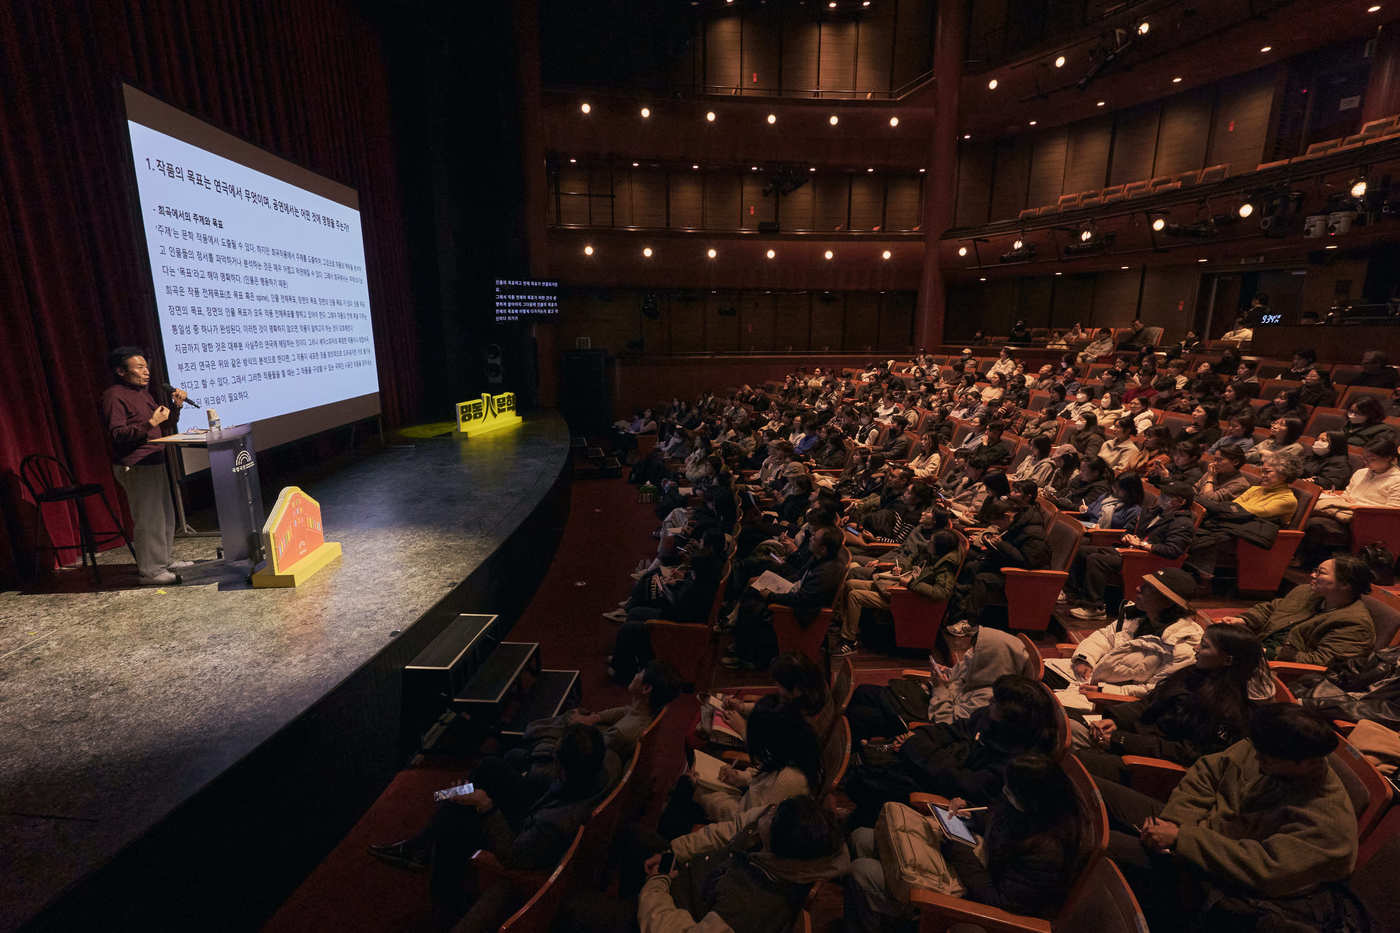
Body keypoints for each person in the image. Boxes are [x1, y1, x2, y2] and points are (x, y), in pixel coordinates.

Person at [1096, 704, 1358, 933]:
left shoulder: (1328, 824)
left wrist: (1182, 839)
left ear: (1307, 763)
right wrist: (1177, 821)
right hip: (1192, 830)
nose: (1256, 758)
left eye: (1265, 758)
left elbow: (1263, 869)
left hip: (1215, 877)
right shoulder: (1269, 745)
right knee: (1090, 792)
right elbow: (1207, 771)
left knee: (1097, 845)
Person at [369, 724, 613, 928]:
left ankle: (443, 899)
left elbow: (513, 855)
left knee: (456, 818)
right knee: (491, 767)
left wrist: (485, 805)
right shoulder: (603, 765)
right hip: (546, 804)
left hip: (524, 837)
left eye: (556, 758)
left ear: (563, 770)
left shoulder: (554, 825)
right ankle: (441, 810)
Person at [844, 753, 1080, 933]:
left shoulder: (1046, 852)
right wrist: (968, 813)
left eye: (1010, 792)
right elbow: (998, 816)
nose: (1004, 792)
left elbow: (998, 901)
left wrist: (957, 846)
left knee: (862, 871)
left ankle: (891, 921)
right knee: (862, 837)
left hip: (970, 901)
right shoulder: (1025, 810)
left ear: (1033, 802)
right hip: (975, 861)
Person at [1073, 624, 1262, 783]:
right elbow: (1149, 703)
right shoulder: (1193, 673)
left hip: (1145, 766)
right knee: (1065, 722)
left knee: (1071, 756)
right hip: (1128, 738)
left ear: (1227, 660)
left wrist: (1120, 740)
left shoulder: (1228, 708)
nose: (1196, 649)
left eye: (1204, 646)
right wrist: (1116, 721)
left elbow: (1184, 752)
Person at [640, 796, 848, 933]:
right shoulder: (772, 839)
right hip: (681, 876)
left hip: (670, 907)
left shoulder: (749, 908)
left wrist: (657, 885)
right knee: (635, 835)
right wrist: (674, 852)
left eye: (773, 816)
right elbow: (724, 833)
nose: (769, 810)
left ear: (779, 848)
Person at [663, 696, 821, 834]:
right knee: (685, 786)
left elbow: (741, 824)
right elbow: (765, 775)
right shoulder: (793, 750)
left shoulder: (786, 779)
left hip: (743, 834)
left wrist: (701, 792)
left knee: (684, 789)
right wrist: (740, 777)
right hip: (746, 809)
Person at [100, 347, 190, 585]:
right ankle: (151, 571)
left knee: (164, 514)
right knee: (149, 517)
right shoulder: (114, 396)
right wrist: (151, 422)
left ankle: (163, 560)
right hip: (136, 464)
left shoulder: (143, 393)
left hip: (155, 461)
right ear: (121, 371)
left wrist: (176, 406)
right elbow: (117, 434)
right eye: (139, 367)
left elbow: (162, 425)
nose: (146, 372)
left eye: (146, 367)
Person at [1064, 483, 1197, 620]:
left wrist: (1143, 545)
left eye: (1166, 497)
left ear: (1180, 502)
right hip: (1130, 550)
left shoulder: (1183, 523)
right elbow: (1130, 527)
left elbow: (1173, 550)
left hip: (1144, 559)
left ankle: (1094, 607)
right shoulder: (1154, 510)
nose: (1160, 498)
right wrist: (1126, 536)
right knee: (1082, 551)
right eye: (1162, 495)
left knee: (1097, 560)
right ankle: (1073, 594)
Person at [1213, 555, 1376, 665]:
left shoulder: (1355, 624)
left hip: (1281, 669)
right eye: (1315, 570)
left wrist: (1265, 653)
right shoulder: (1306, 592)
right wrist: (1244, 620)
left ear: (1345, 584)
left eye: (1320, 573)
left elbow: (1321, 661)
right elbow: (1272, 608)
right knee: (1211, 641)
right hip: (1258, 646)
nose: (1312, 575)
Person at [723, 526, 845, 670]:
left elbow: (802, 599)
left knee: (752, 605)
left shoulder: (827, 572)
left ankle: (746, 657)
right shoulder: (819, 558)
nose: (810, 539)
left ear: (823, 549)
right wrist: (776, 581)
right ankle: (741, 643)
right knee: (754, 588)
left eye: (814, 539)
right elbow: (799, 576)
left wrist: (771, 596)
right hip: (795, 592)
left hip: (801, 612)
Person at [1065, 567, 1203, 694]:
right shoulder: (1136, 617)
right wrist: (1085, 659)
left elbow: (1154, 691)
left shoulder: (1182, 648)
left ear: (1167, 602)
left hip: (1109, 700)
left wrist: (1104, 690)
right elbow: (1105, 637)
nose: (1138, 588)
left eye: (1148, 588)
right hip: (1089, 678)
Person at [836, 528, 959, 657]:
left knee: (855, 596)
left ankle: (849, 642)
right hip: (899, 586)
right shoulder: (928, 553)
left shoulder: (945, 568)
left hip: (905, 597)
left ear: (939, 548)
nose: (928, 542)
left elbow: (941, 593)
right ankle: (849, 627)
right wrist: (901, 568)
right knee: (850, 584)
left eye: (932, 542)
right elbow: (911, 561)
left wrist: (911, 584)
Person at [1183, 453, 1302, 583]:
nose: (1262, 475)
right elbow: (1232, 509)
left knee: (1211, 532)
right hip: (1234, 525)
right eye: (1262, 472)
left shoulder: (1288, 499)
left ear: (1284, 474)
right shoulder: (1255, 489)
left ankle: (1200, 575)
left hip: (1252, 538)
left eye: (1267, 472)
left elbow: (1245, 512)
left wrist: (1225, 509)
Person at [1299, 436, 1400, 565]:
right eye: (1364, 458)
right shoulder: (1361, 473)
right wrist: (1342, 498)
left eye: (1372, 459)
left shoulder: (1397, 480)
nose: (1366, 463)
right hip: (1346, 514)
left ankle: (1311, 563)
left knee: (1316, 524)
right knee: (1305, 514)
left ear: (1388, 458)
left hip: (1369, 523)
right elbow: (1347, 494)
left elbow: (1393, 513)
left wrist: (1358, 505)